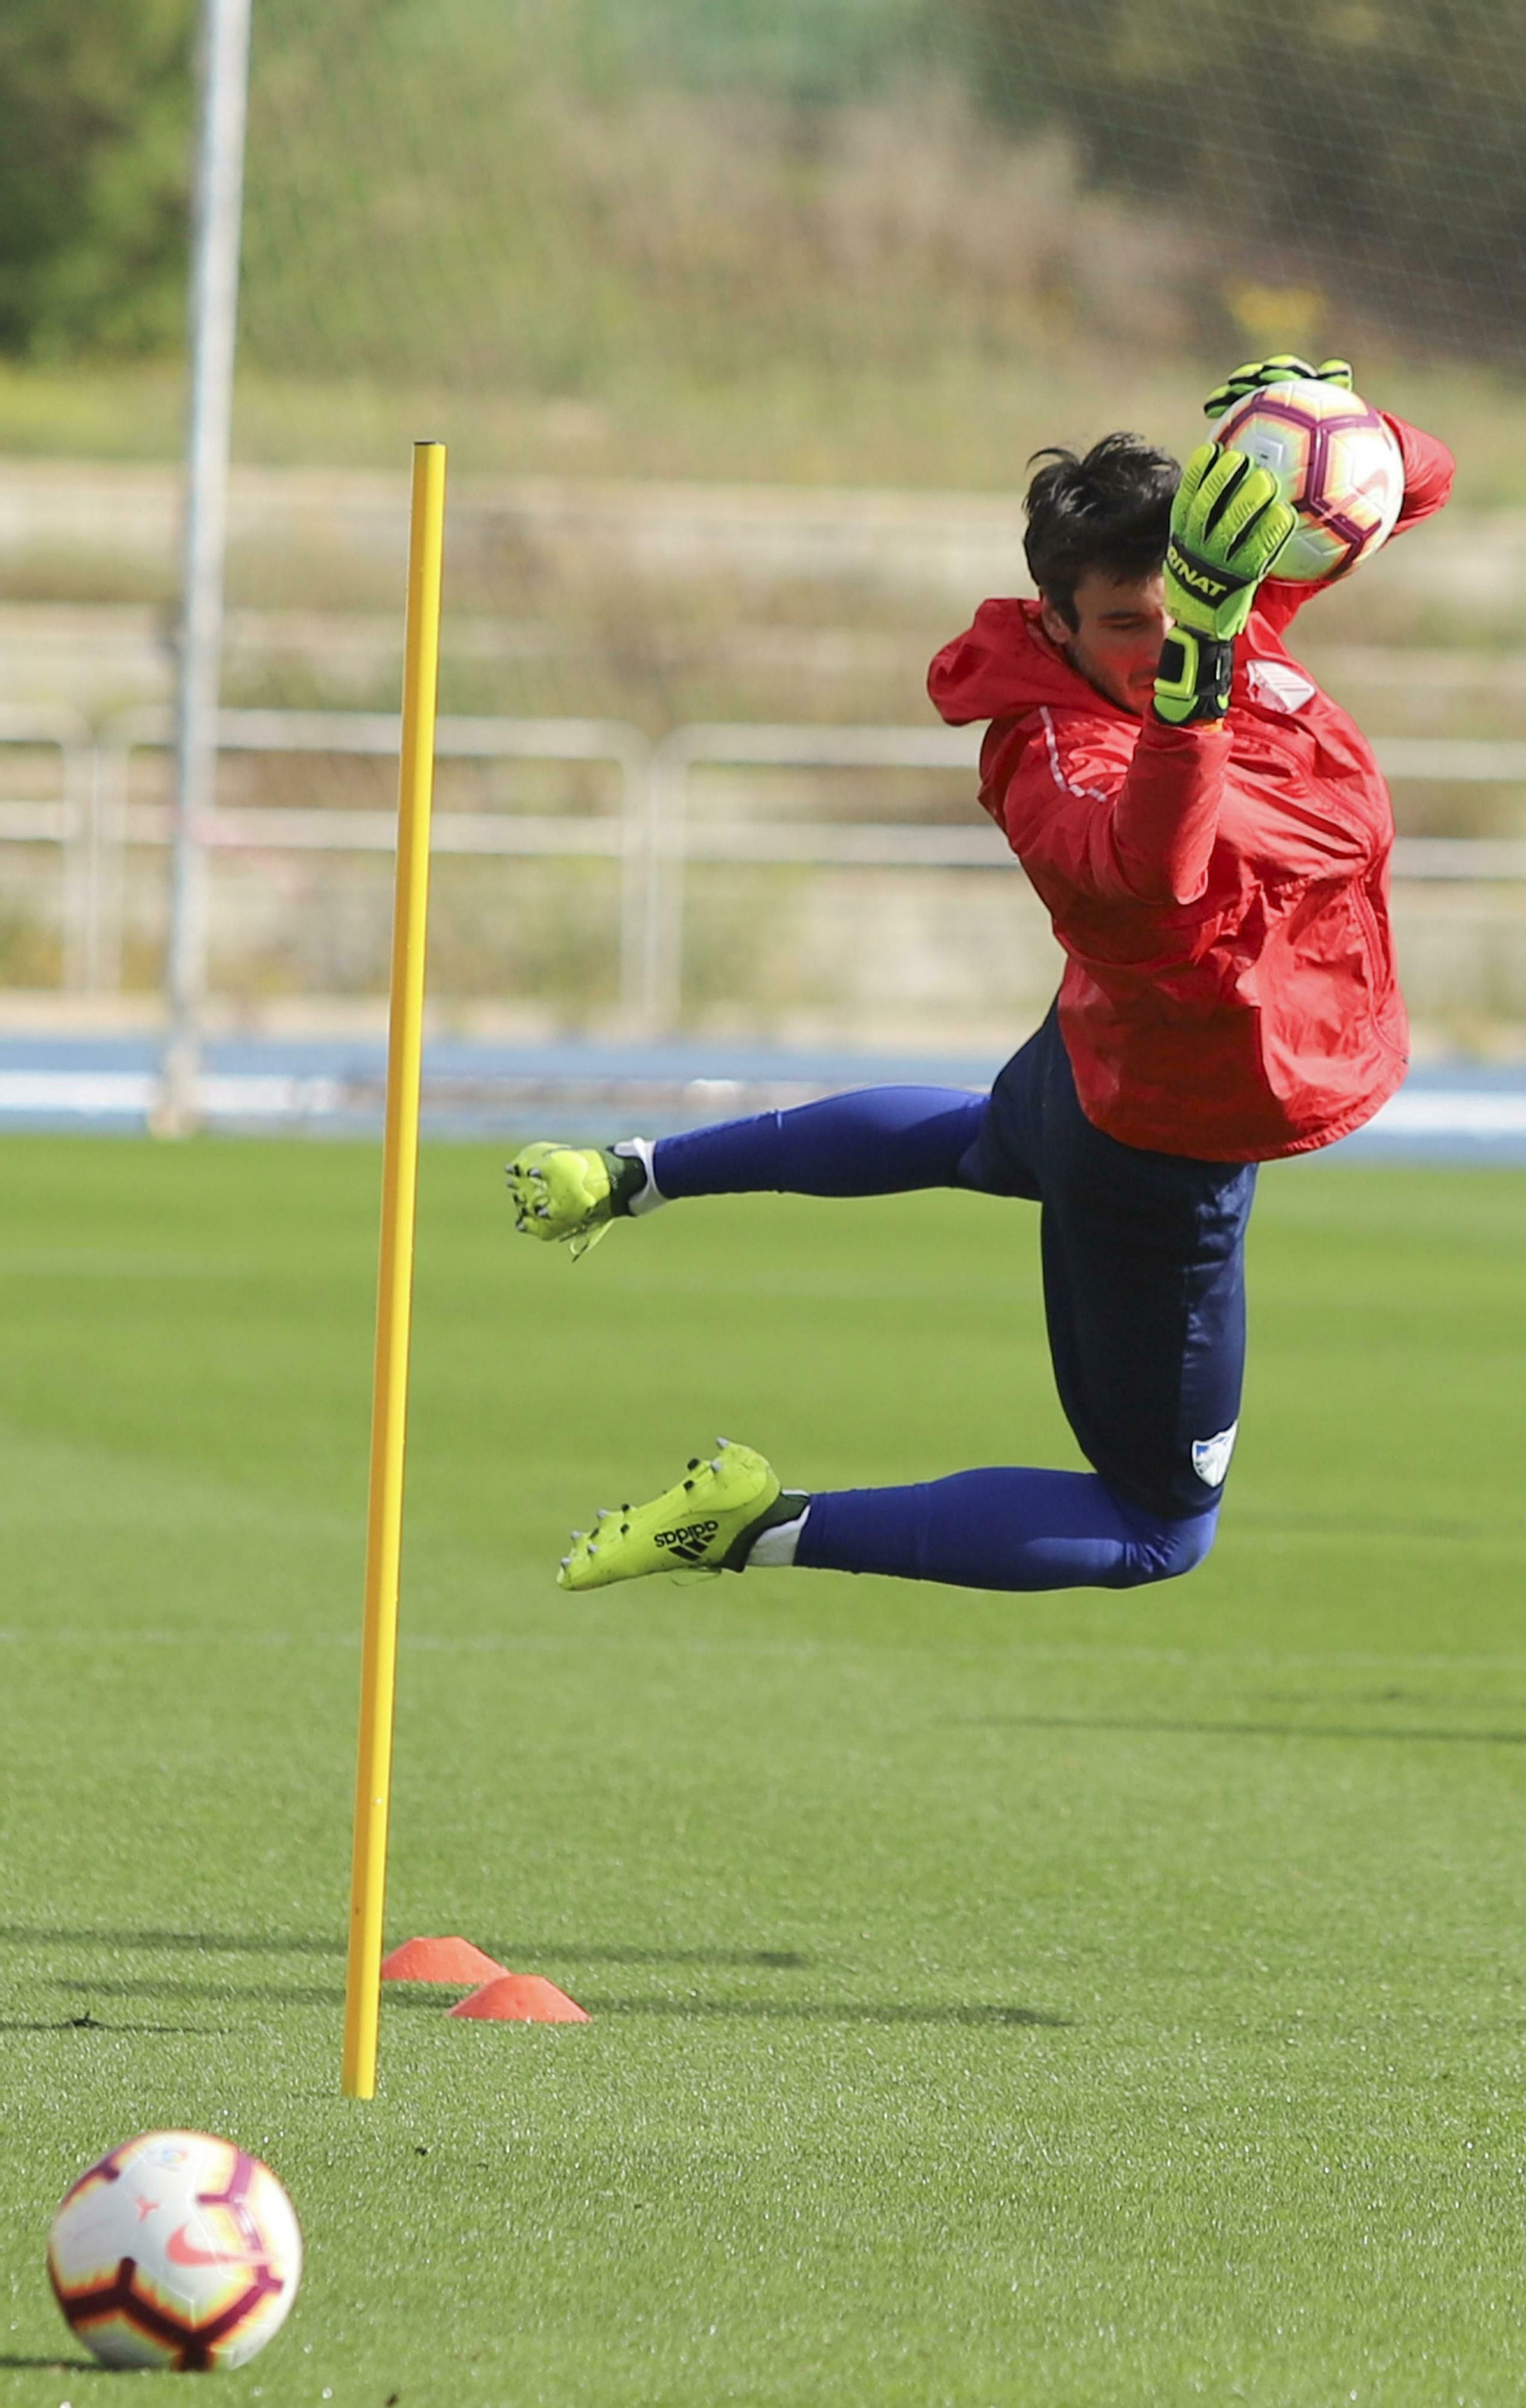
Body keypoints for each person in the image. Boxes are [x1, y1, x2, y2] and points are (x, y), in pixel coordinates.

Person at [505, 355, 1454, 1597]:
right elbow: (1153, 875)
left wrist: (1318, 428)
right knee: (1159, 1527)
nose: (1156, 642)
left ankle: (632, 1176)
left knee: (976, 1142)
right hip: (1162, 1138)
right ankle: (753, 1521)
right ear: (1055, 619)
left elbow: (1410, 486)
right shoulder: (1051, 751)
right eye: (1125, 626)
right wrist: (1202, 668)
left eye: (1174, 610)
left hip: (1101, 1065)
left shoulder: (1214, 601)